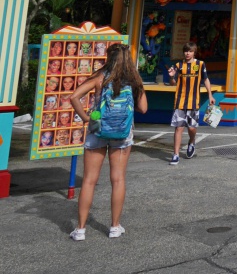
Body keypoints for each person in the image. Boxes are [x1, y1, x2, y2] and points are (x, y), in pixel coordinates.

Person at [67, 43, 148, 241]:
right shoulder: (134, 80)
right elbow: (144, 108)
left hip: (98, 130)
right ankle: (114, 226)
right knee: (118, 179)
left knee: (89, 180)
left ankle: (80, 229)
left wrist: (87, 118)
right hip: (122, 134)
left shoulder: (99, 77)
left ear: (108, 57)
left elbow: (74, 97)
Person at [166, 41, 214, 165]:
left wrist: (210, 95)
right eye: (186, 51)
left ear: (194, 52)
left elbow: (206, 79)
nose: (187, 53)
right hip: (180, 102)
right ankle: (175, 154)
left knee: (192, 128)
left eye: (190, 51)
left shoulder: (200, 64)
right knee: (179, 128)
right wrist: (171, 77)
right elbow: (173, 83)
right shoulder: (178, 65)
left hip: (194, 102)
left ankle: (191, 142)